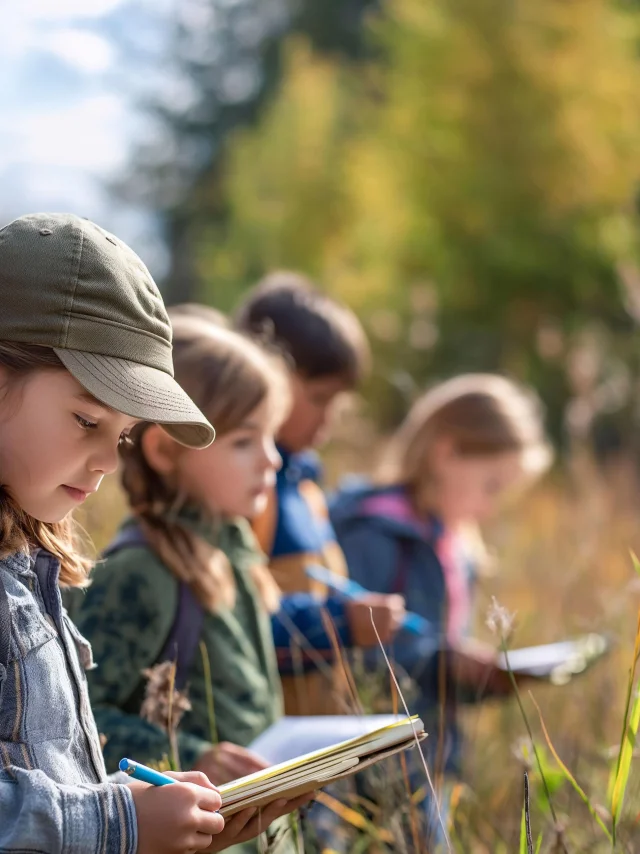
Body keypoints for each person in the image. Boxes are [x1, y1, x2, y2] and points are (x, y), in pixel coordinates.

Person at [0, 213, 306, 854]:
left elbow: (50, 776)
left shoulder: (30, 568)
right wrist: (121, 824)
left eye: (121, 434)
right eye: (87, 419)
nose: (109, 460)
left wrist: (157, 818)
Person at [74, 317, 353, 853]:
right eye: (245, 441)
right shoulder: (141, 573)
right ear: (164, 451)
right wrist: (192, 753)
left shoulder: (233, 557)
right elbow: (74, 723)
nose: (272, 459)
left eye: (271, 437)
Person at [329, 373, 553, 834]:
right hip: (377, 763)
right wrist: (445, 663)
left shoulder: (453, 543)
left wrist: (482, 677)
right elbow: (356, 649)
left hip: (434, 755)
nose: (492, 508)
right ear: (445, 452)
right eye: (491, 486)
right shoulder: (374, 534)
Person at [235, 272, 405, 716]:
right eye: (319, 396)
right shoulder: (248, 492)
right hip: (270, 747)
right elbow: (234, 625)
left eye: (340, 402)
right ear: (263, 374)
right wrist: (340, 623)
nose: (329, 419)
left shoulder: (308, 490)